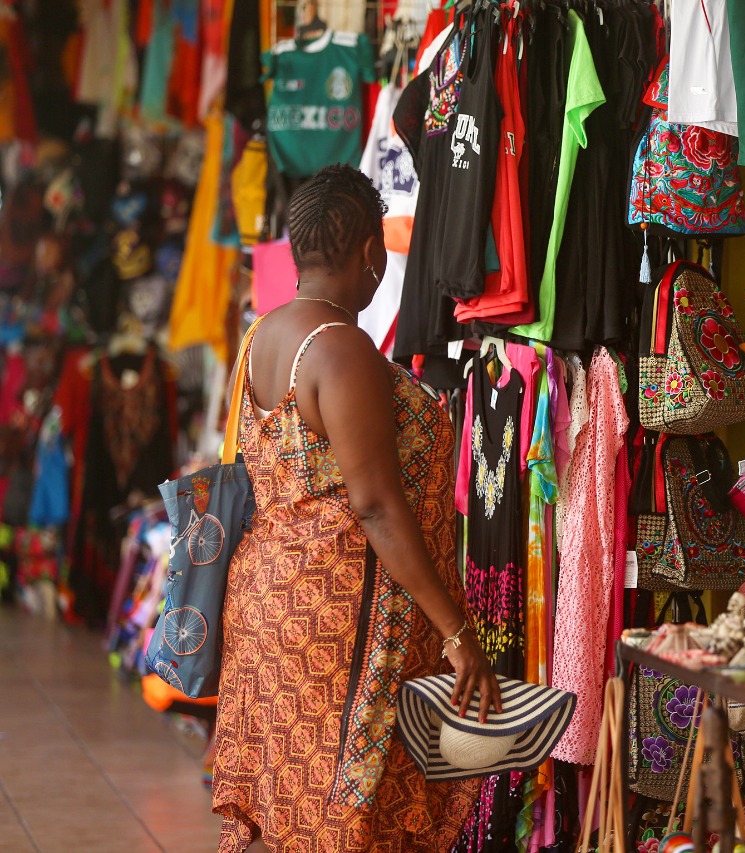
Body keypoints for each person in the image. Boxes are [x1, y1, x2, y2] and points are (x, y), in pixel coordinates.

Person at [211, 164, 499, 852]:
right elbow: (373, 505)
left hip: (268, 603)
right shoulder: (342, 352)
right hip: (335, 623)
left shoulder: (261, 336)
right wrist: (457, 631)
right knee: (345, 809)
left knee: (294, 802)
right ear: (371, 252)